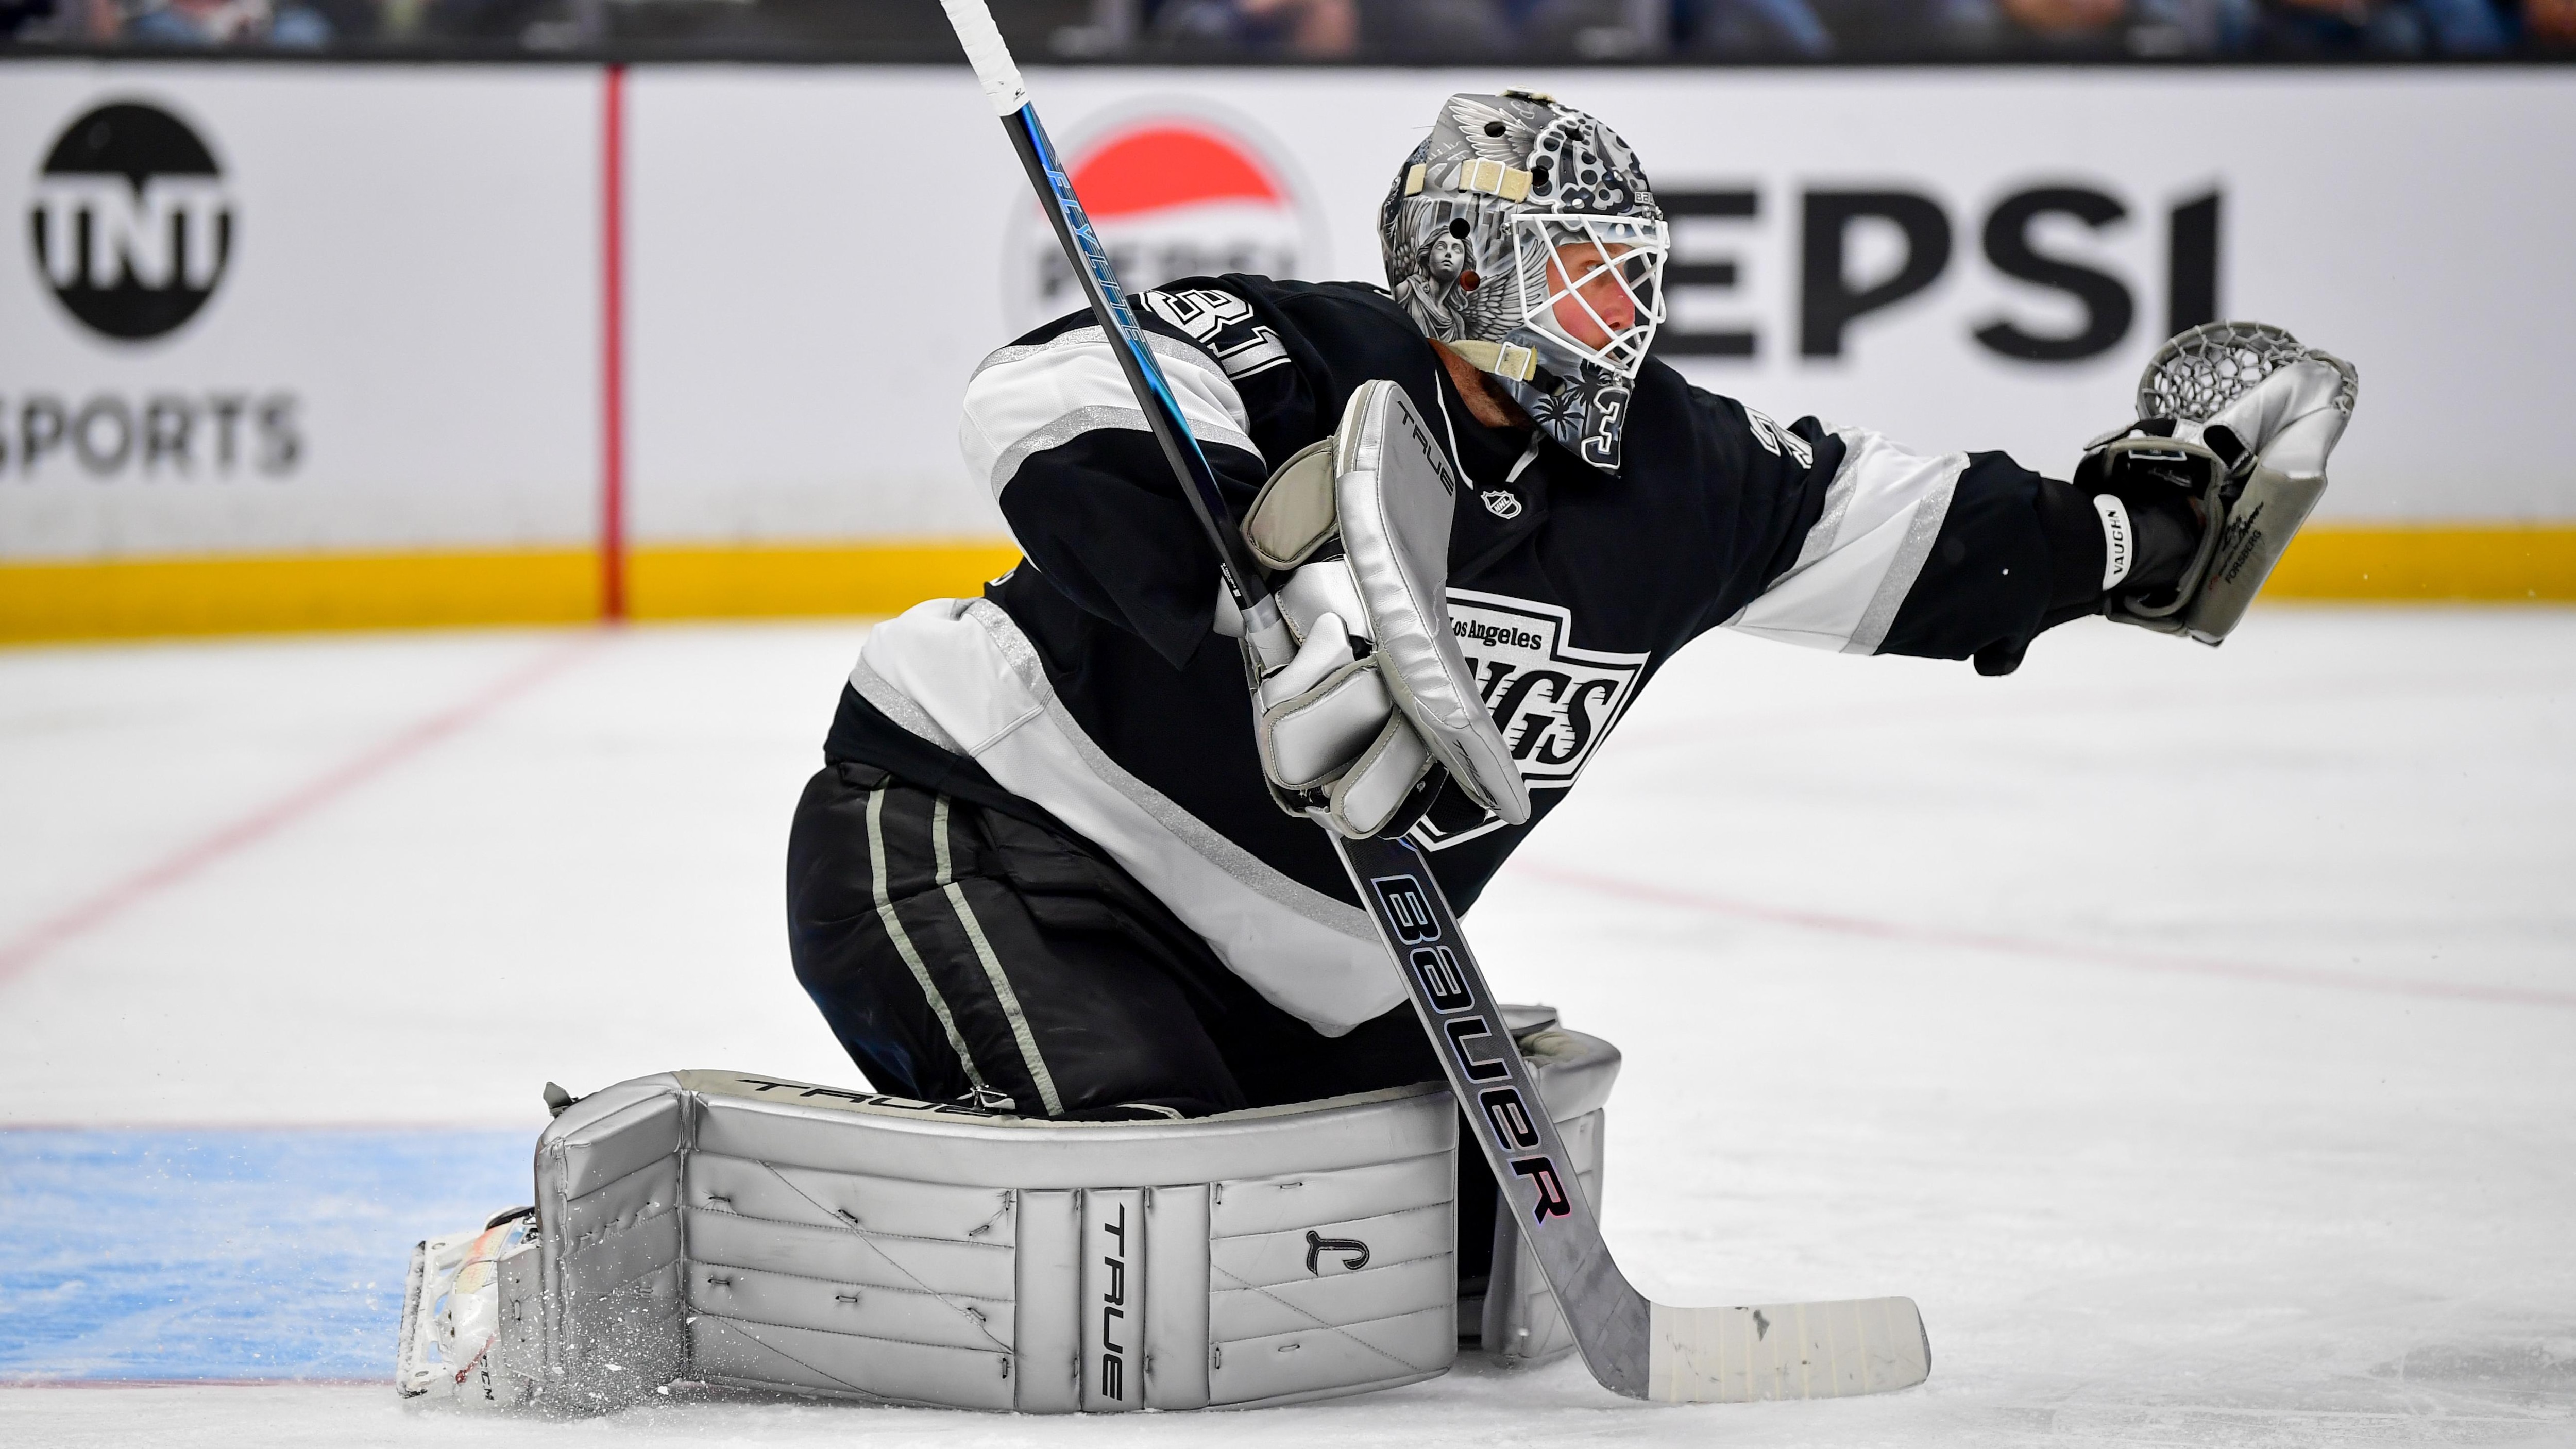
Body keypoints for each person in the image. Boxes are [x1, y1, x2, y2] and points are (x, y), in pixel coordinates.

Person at [785, 90, 2351, 1127]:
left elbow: (1913, 529)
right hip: (986, 832)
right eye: (1579, 275)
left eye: (1628, 278)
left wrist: (2131, 528)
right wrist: (1242, 579)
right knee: (1138, 1186)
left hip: (1304, 969)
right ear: (1465, 265)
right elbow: (1049, 392)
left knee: (1450, 1243)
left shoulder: (1684, 479)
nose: (1622, 315)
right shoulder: (1307, 350)